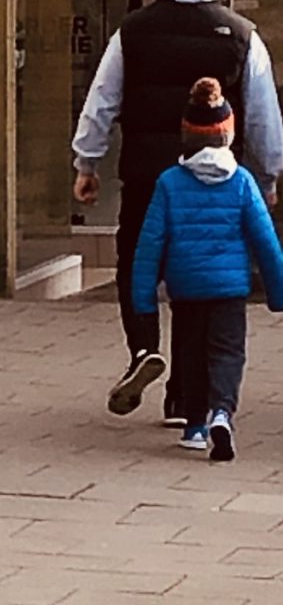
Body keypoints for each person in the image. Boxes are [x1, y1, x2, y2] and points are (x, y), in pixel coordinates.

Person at [72, 0, 283, 420]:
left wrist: (87, 161)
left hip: (147, 174)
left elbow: (102, 98)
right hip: (216, 178)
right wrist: (271, 173)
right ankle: (184, 397)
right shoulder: (240, 34)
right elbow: (261, 111)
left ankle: (144, 347)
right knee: (199, 281)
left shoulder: (134, 30)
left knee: (136, 265)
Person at [132, 77, 283, 461]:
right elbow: (266, 241)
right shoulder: (242, 182)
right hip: (230, 290)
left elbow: (150, 244)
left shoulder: (169, 183)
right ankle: (222, 412)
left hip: (186, 289)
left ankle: (195, 425)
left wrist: (142, 298)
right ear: (228, 135)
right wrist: (278, 293)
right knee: (228, 353)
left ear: (187, 135)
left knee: (192, 355)